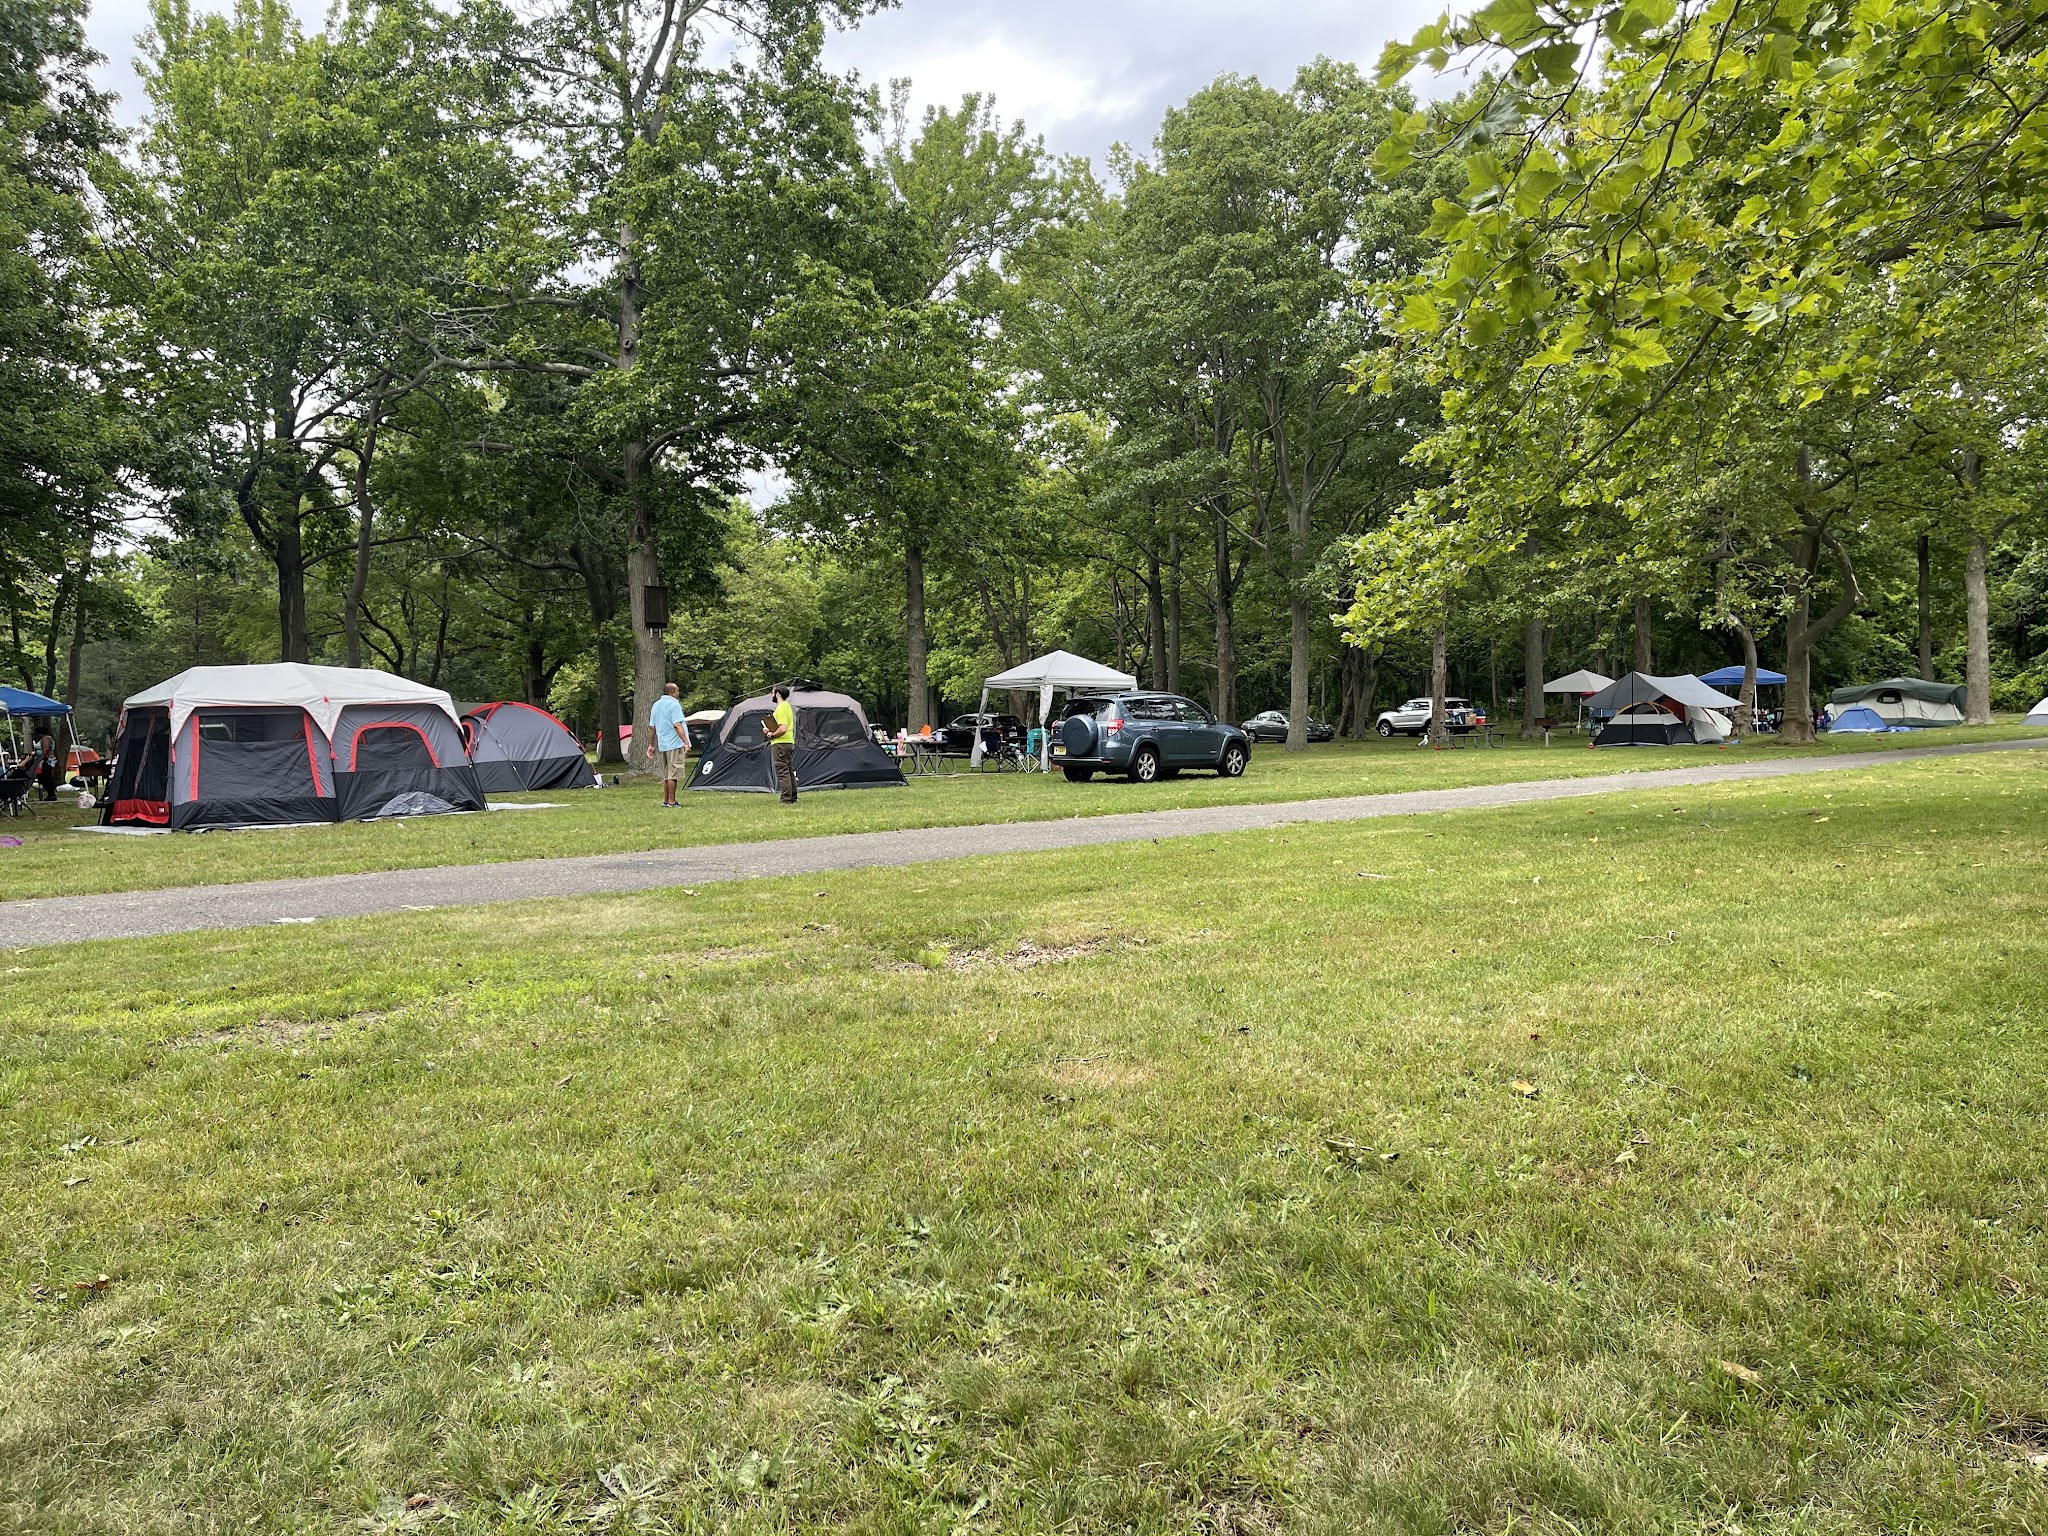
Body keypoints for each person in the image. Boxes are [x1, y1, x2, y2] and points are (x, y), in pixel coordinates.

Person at [647, 682, 689, 808]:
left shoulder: (656, 705)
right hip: (674, 743)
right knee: (673, 774)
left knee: (667, 775)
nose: (678, 693)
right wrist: (686, 742)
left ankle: (665, 801)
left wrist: (651, 745)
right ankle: (672, 802)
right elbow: (677, 725)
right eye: (677, 690)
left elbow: (652, 727)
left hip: (663, 744)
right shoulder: (674, 705)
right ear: (672, 692)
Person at [763, 684, 798, 804]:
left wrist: (772, 735)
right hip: (788, 742)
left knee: (782, 771)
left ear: (778, 694)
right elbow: (780, 727)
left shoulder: (781, 707)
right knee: (788, 770)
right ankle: (792, 796)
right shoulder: (787, 706)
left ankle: (786, 798)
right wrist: (769, 730)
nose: (772, 695)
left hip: (780, 743)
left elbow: (783, 728)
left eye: (773, 692)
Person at [27, 724, 60, 802]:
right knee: (43, 777)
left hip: (46, 760)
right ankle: (50, 793)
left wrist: (40, 759)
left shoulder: (46, 738)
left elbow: (46, 749)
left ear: (39, 733)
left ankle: (51, 794)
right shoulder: (44, 739)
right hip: (44, 760)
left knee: (46, 777)